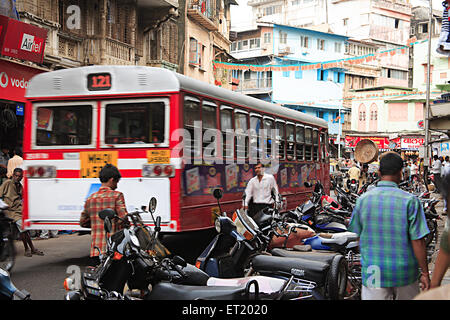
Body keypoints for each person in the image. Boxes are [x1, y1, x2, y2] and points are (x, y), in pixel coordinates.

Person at [348, 151, 430, 300]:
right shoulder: (410, 201)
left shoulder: (363, 200)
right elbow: (418, 241)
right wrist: (425, 273)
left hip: (374, 271)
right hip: (404, 272)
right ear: (401, 173)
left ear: (379, 172)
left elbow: (359, 238)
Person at [79, 164, 129, 266]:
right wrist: (124, 225)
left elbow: (83, 222)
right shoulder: (117, 196)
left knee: (98, 281)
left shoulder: (90, 198)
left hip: (96, 251)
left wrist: (96, 224)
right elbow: (123, 218)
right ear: (112, 180)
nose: (117, 185)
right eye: (116, 182)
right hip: (113, 251)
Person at [0, 168, 44, 257]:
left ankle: (31, 248)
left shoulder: (20, 186)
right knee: (23, 229)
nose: (17, 178)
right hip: (10, 211)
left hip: (19, 210)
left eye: (19, 176)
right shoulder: (7, 183)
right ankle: (28, 249)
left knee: (25, 230)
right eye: (16, 175)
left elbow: (23, 198)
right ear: (13, 175)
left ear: (21, 177)